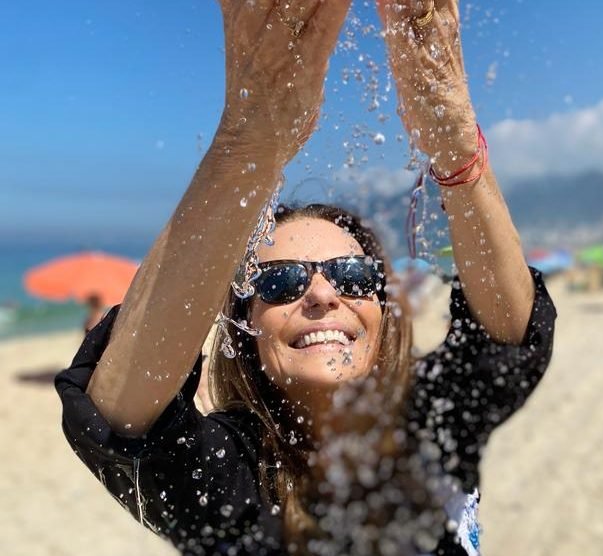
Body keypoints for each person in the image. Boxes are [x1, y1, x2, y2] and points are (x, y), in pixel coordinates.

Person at [55, 1, 556, 555]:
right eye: (280, 282)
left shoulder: (430, 423)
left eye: (353, 275)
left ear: (384, 312)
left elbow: (509, 338)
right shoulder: (231, 472)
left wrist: (456, 143)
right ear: (246, 323)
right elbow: (119, 416)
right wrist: (246, 146)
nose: (321, 294)